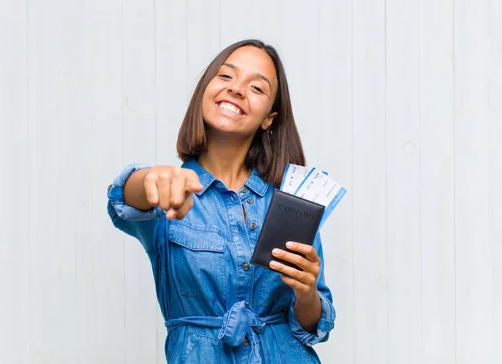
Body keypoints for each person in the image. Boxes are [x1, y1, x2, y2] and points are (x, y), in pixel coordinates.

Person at [107, 39, 335, 364]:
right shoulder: (171, 192)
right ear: (206, 89)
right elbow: (124, 200)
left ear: (269, 118)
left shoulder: (291, 201)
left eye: (256, 87)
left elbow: (314, 327)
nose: (237, 89)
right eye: (226, 77)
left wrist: (306, 290)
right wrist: (148, 179)